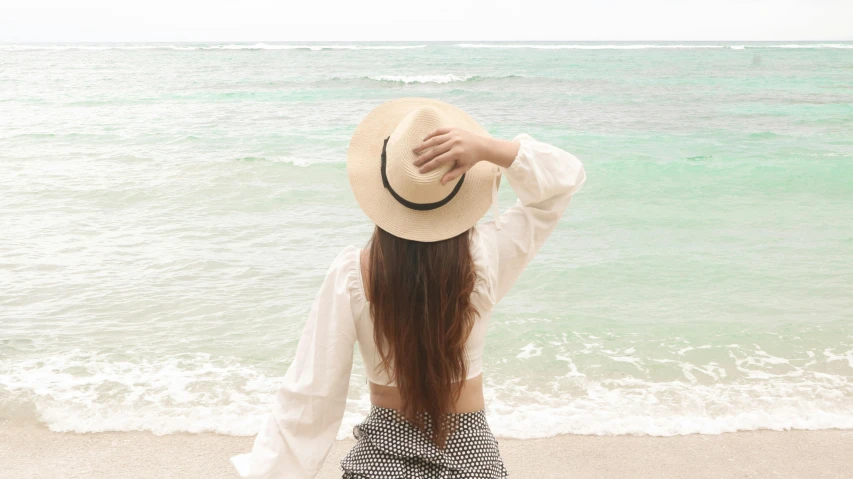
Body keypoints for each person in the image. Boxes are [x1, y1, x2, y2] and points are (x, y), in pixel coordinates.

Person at [231, 97, 587, 478]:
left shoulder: (354, 271)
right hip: (472, 463)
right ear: (462, 181)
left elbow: (312, 392)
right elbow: (563, 181)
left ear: (384, 186)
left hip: (380, 459)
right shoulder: (486, 256)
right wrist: (489, 149)